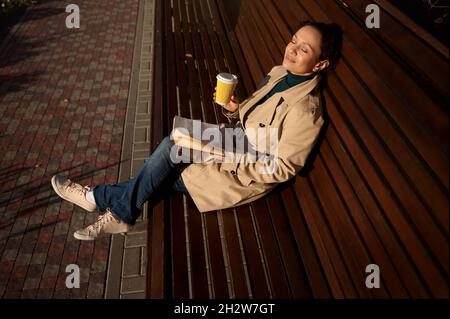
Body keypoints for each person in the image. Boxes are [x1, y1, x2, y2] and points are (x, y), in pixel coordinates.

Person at [51, 21, 343, 241]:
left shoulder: (307, 110)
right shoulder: (281, 72)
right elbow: (255, 123)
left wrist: (231, 154)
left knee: (166, 164)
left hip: (244, 172)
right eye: (294, 41)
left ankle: (103, 202)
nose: (292, 49)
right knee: (173, 145)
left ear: (320, 63)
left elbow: (283, 167)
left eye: (304, 49)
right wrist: (234, 108)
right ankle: (102, 203)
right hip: (234, 143)